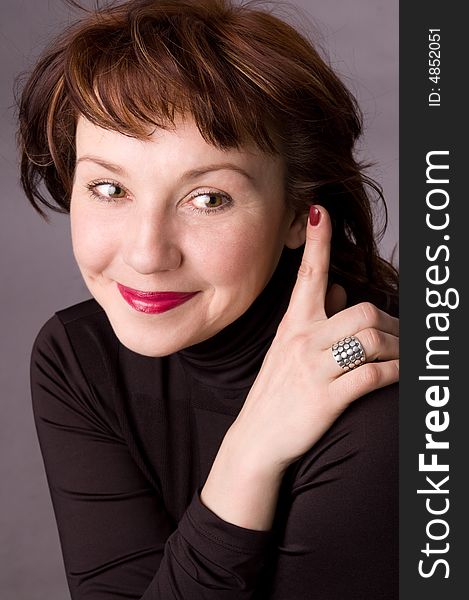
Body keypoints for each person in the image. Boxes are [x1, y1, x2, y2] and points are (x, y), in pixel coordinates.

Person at [18, 0, 399, 598]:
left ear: (300, 212)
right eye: (110, 187)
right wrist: (251, 454)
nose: (148, 254)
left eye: (208, 198)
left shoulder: (383, 402)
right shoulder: (77, 357)